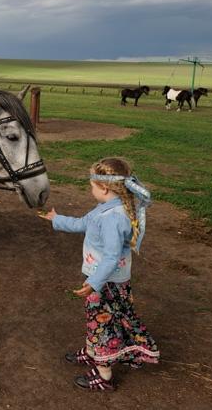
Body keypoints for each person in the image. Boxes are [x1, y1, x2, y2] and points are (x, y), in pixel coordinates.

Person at [42, 157, 160, 391]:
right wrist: (57, 219)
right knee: (96, 321)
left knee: (102, 326)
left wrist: (95, 282)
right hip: (107, 280)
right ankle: (92, 352)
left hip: (106, 284)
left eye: (92, 185)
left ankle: (104, 375)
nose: (90, 189)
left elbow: (111, 256)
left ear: (104, 187)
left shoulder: (112, 218)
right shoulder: (109, 208)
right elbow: (81, 224)